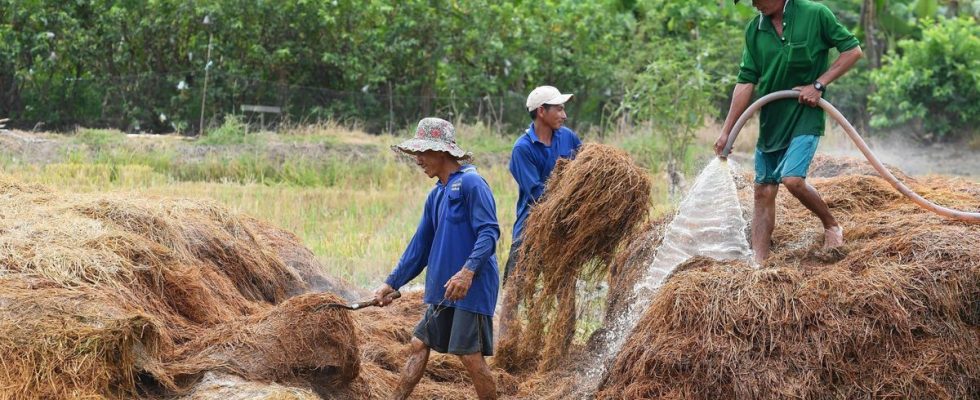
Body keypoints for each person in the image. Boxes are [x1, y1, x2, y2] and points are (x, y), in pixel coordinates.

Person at [714, 0, 863, 264]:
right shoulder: (754, 30)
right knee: (763, 190)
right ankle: (759, 262)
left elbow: (852, 51)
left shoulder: (815, 14)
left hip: (805, 113)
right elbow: (746, 80)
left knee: (792, 179)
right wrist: (727, 132)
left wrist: (818, 85)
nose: (754, 3)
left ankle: (831, 225)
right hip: (772, 118)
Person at [374, 117, 500, 400]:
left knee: (469, 356)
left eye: (423, 152)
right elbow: (420, 247)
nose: (418, 160)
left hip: (472, 286)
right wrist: (391, 283)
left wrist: (467, 272)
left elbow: (489, 232)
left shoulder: (472, 184)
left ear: (442, 152)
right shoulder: (436, 195)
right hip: (445, 288)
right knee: (419, 344)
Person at [503, 85, 582, 284]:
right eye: (559, 109)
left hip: (563, 226)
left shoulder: (568, 137)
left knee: (565, 290)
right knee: (515, 289)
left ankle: (567, 318)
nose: (564, 115)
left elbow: (585, 168)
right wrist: (571, 193)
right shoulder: (523, 149)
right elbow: (537, 193)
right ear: (541, 111)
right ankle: (508, 317)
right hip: (531, 228)